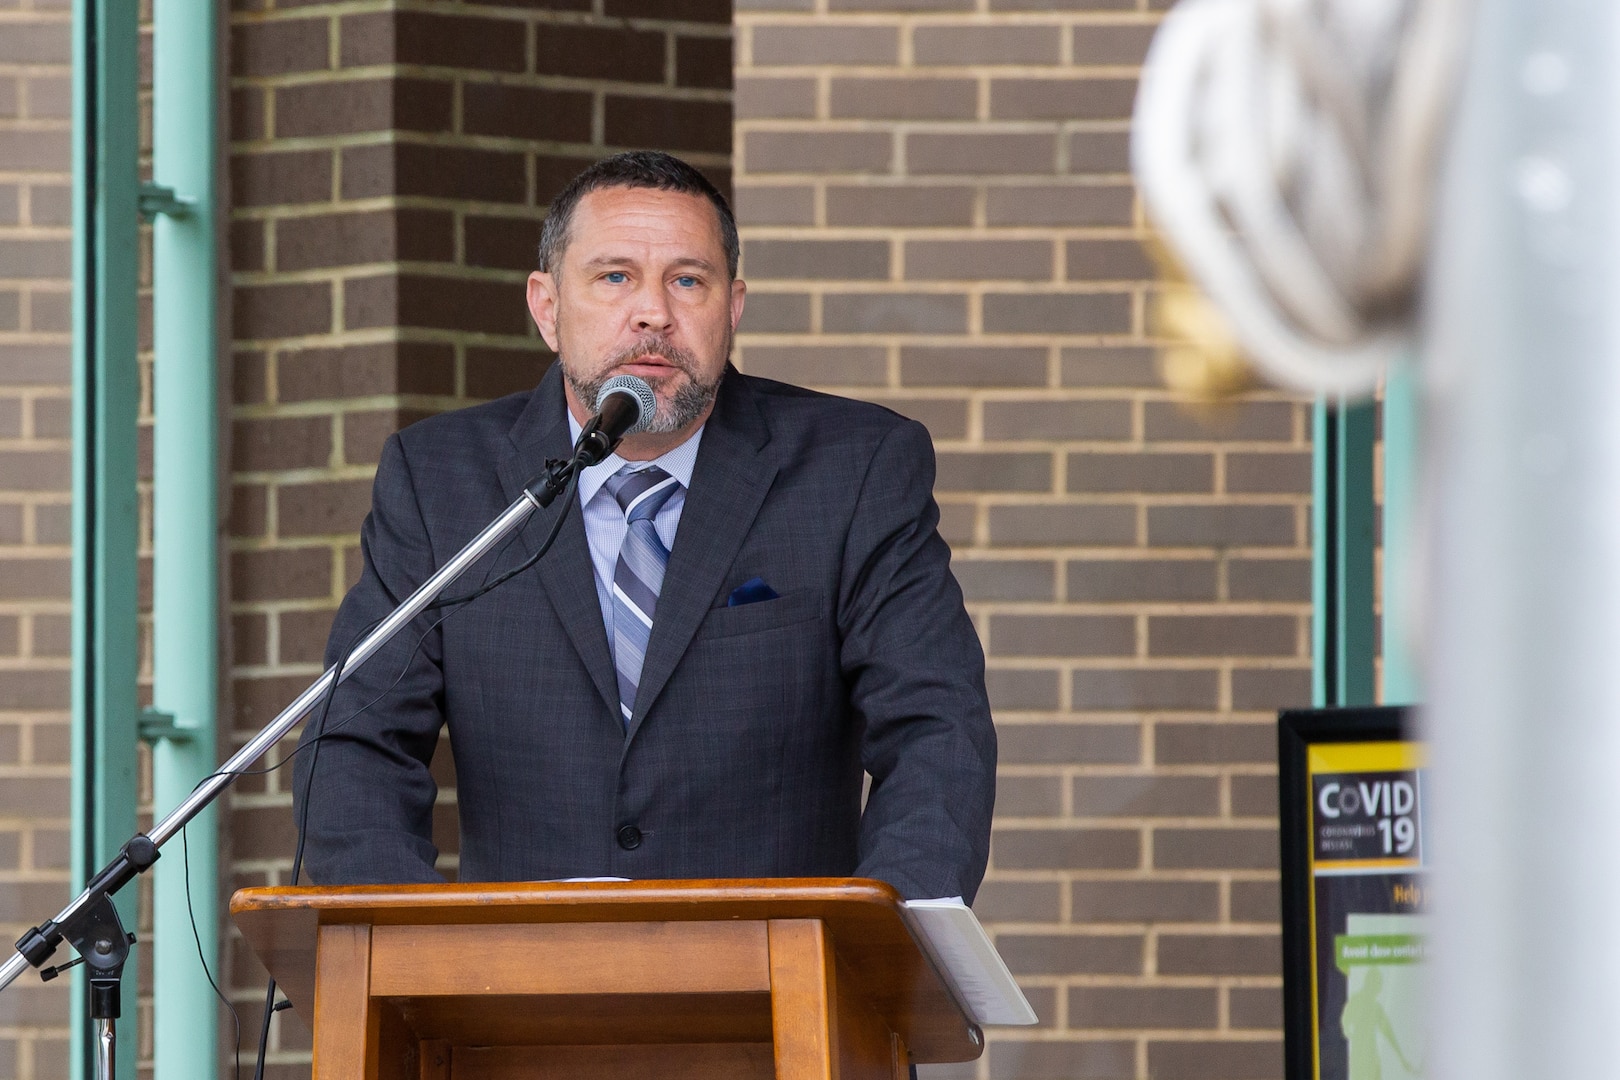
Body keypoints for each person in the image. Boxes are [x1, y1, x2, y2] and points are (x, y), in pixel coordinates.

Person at [292, 150, 996, 903]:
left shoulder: (852, 470)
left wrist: (872, 951)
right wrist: (416, 956)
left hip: (782, 992)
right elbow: (354, 744)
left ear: (733, 307)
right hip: (512, 997)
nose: (654, 311)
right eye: (615, 276)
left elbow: (936, 730)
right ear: (547, 307)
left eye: (688, 280)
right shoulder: (442, 481)